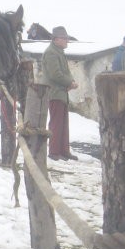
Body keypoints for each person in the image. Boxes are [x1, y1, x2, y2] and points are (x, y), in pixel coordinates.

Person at [42, 26, 79, 161]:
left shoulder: (58, 52)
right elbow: (55, 74)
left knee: (63, 123)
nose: (67, 41)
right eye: (64, 38)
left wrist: (71, 81)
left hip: (61, 92)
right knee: (56, 123)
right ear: (56, 39)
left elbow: (64, 72)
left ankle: (64, 151)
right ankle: (54, 151)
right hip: (55, 92)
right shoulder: (52, 53)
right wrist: (70, 83)